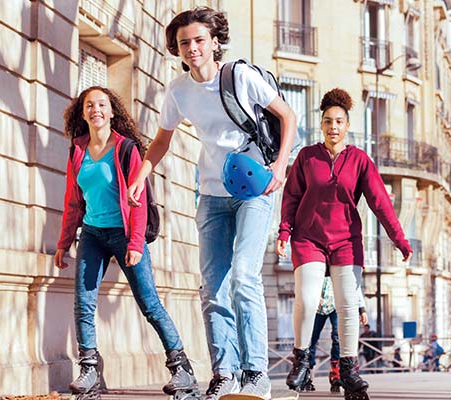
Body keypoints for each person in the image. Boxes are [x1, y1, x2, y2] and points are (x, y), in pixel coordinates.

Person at [125, 7, 297, 399]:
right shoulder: (179, 90)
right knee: (213, 288)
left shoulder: (240, 76)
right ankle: (225, 374)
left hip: (255, 190)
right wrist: (140, 175)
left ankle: (256, 373)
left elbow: (287, 116)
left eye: (200, 40)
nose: (192, 48)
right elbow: (163, 139)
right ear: (178, 48)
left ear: (215, 41)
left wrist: (280, 167)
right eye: (185, 42)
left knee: (244, 275)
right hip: (211, 195)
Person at [54, 86, 199, 397]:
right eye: (89, 105)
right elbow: (72, 201)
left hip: (124, 232)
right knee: (83, 304)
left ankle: (182, 368)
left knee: (149, 304)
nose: (96, 109)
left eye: (102, 104)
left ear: (111, 111)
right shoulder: (77, 150)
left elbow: (139, 200)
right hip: (92, 233)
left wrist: (135, 243)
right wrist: (63, 243)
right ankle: (89, 369)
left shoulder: (126, 149)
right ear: (83, 112)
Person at [277, 88, 412, 400]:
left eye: (338, 121)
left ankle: (349, 372)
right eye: (327, 121)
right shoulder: (307, 157)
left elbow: (381, 203)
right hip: (309, 238)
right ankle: (301, 360)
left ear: (347, 125)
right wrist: (284, 232)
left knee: (348, 306)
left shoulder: (360, 160)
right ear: (321, 124)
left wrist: (399, 239)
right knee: (308, 300)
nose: (332, 127)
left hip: (345, 241)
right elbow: (291, 197)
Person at [306, 278, 368, 393]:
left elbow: (355, 284)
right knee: (311, 339)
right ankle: (307, 372)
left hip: (335, 306)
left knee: (337, 337)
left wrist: (362, 309)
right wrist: (311, 295)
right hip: (316, 307)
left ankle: (336, 372)